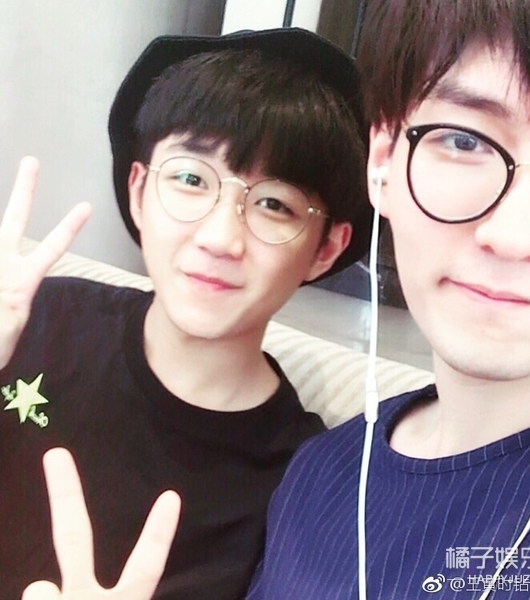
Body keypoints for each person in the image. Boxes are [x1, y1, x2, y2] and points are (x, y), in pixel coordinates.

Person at [25, 1, 530, 599]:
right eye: (464, 140)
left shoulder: (281, 461)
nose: (513, 236)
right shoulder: (320, 476)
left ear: (328, 247)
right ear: (383, 160)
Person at [0, 27, 370, 600]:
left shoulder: (305, 483)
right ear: (139, 191)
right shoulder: (36, 318)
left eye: (274, 204)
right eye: (191, 179)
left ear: (326, 249)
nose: (220, 238)